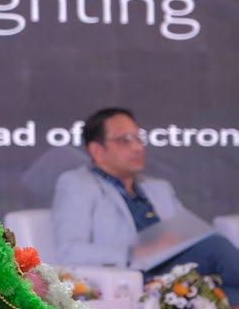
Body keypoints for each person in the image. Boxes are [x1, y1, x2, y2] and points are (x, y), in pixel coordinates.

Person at [51, 107, 239, 303]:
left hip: (179, 269)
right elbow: (69, 250)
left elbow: (190, 231)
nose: (138, 147)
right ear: (97, 150)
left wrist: (181, 238)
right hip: (132, 275)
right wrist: (133, 253)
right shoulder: (78, 184)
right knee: (215, 247)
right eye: (125, 140)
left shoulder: (158, 187)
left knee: (226, 286)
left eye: (138, 138)